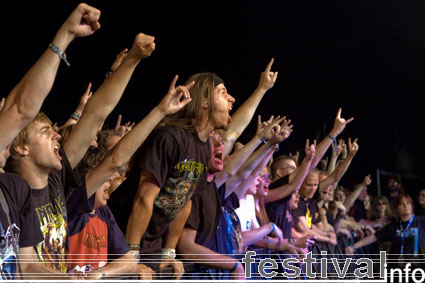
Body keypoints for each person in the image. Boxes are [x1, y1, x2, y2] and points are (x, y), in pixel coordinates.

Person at [6, 25, 156, 276]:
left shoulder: (57, 183)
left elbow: (96, 114)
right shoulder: (14, 195)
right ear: (21, 148)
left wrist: (133, 60)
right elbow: (27, 266)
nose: (55, 134)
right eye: (45, 132)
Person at [110, 71, 235, 279]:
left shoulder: (204, 147)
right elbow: (144, 198)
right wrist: (131, 258)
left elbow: (185, 200)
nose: (232, 99)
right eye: (223, 93)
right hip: (122, 239)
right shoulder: (170, 137)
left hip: (151, 245)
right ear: (204, 101)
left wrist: (168, 252)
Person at [345, 194, 425, 272]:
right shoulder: (393, 226)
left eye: (408, 203)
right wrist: (353, 246)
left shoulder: (421, 221)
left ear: (412, 206)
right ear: (397, 208)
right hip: (398, 269)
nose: (405, 206)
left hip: (418, 268)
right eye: (401, 204)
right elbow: (374, 237)